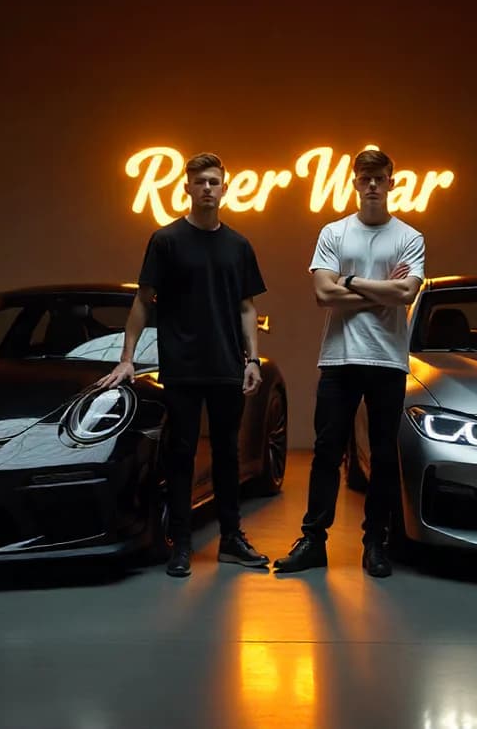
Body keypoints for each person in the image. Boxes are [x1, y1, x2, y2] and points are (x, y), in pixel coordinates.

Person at [98, 152, 269, 577]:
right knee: (181, 454)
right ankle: (182, 544)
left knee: (227, 454)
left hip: (228, 366)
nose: (207, 188)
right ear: (187, 188)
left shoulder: (239, 246)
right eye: (200, 182)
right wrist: (127, 359)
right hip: (183, 368)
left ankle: (231, 539)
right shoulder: (166, 240)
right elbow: (143, 301)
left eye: (214, 181)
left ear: (225, 189)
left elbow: (247, 308)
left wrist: (252, 359)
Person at [274, 148, 425, 578]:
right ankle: (313, 541)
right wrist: (380, 288)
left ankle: (375, 542)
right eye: (365, 177)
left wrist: (351, 281)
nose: (373, 184)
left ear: (392, 182)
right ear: (355, 183)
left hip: (387, 360)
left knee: (382, 455)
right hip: (339, 357)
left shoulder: (410, 237)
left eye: (380, 177)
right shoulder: (334, 232)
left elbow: (406, 294)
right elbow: (323, 294)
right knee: (326, 452)